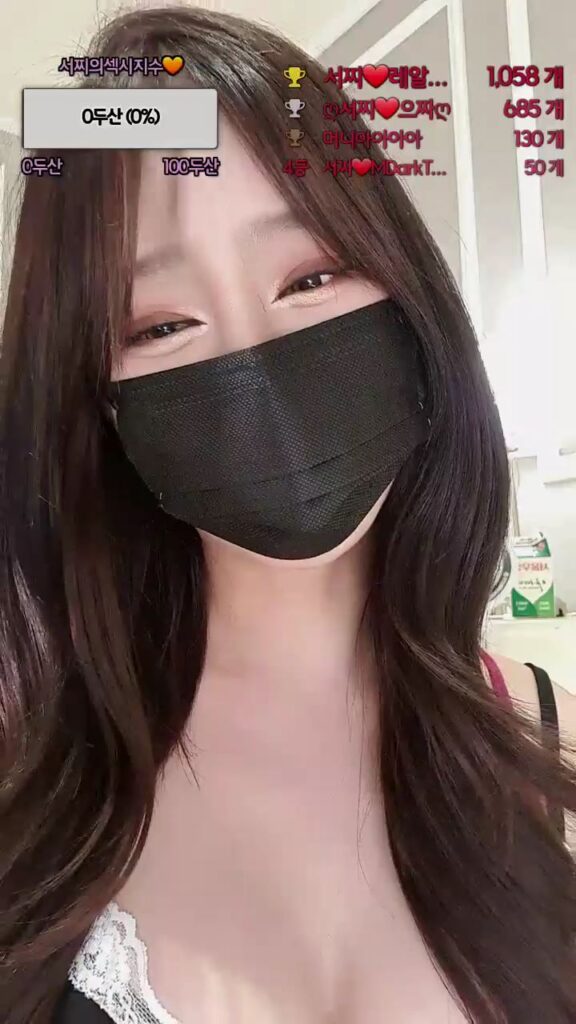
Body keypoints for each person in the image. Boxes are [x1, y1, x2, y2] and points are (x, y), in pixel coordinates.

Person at [0, 6, 575, 1023]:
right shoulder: (37, 788)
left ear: (407, 294)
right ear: (98, 404)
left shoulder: (550, 743)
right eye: (161, 325)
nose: (253, 358)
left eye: (311, 275)